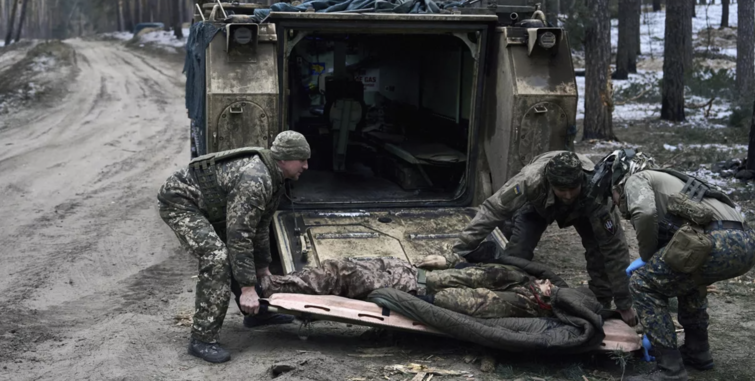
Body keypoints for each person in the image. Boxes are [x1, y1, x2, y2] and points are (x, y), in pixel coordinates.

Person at [417, 151, 636, 325]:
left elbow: (614, 249)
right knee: (515, 257)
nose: (568, 195)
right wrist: (455, 254)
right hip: (538, 207)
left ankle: (599, 303)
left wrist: (624, 303)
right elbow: (493, 211)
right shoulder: (530, 180)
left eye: (572, 188)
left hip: (583, 210)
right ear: (550, 184)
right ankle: (510, 301)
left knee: (599, 253)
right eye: (562, 189)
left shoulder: (596, 193)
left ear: (581, 181)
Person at [157, 131, 311, 364]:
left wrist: (263, 268)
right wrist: (248, 287)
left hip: (211, 207)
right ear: (284, 159)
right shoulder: (255, 179)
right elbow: (239, 236)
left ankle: (256, 315)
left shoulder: (275, 177)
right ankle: (202, 339)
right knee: (217, 257)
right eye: (302, 160)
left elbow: (260, 227)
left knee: (237, 254)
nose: (306, 166)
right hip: (181, 202)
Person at [602, 149, 755, 381]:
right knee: (685, 277)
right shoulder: (670, 180)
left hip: (715, 241)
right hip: (745, 241)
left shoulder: (636, 179)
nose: (613, 199)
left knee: (643, 284)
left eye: (612, 192)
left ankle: (669, 369)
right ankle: (698, 352)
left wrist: (647, 256)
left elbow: (644, 213)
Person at [258, 257, 557, 319]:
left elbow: (471, 303)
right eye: (547, 281)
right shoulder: (519, 279)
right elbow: (475, 270)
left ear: (545, 300)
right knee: (340, 268)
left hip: (412, 285)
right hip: (412, 272)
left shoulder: (519, 302)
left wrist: (425, 298)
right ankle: (273, 287)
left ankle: (270, 289)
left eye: (549, 287)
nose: (547, 283)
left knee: (340, 274)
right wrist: (446, 260)